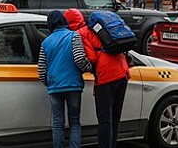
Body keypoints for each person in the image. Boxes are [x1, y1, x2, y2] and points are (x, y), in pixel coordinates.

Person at [67, 8, 129, 148]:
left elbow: (92, 58)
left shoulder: (80, 34)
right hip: (122, 73)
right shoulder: (96, 29)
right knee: (115, 118)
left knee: (104, 120)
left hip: (106, 78)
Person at [38, 10, 92, 148]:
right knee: (74, 122)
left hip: (54, 87)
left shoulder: (45, 42)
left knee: (57, 122)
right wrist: (88, 67)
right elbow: (79, 58)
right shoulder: (74, 36)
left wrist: (49, 82)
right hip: (73, 85)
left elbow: (41, 70)